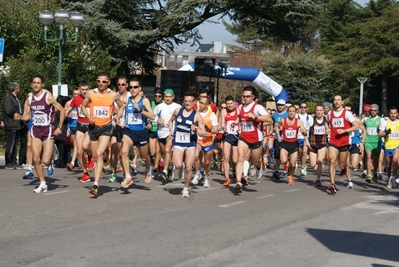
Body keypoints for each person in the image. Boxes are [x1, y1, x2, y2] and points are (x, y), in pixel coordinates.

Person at [19, 73, 65, 193]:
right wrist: (19, 117)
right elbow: (27, 116)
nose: (36, 85)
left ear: (42, 84)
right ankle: (42, 183)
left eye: (38, 83)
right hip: (36, 130)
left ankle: (52, 151)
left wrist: (59, 127)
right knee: (36, 159)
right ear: (31, 84)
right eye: (34, 82)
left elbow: (62, 110)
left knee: (45, 161)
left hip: (48, 130)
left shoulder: (47, 96)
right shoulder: (29, 98)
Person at [81, 72, 124, 197]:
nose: (101, 84)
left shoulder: (113, 95)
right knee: (95, 156)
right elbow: (83, 106)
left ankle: (95, 184)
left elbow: (121, 107)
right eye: (99, 81)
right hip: (93, 127)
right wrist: (88, 116)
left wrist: (118, 117)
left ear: (108, 82)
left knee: (98, 153)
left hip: (106, 127)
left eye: (104, 81)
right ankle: (103, 155)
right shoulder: (91, 93)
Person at [233, 86, 273, 193]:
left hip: (256, 138)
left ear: (252, 97)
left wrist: (255, 117)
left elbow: (269, 118)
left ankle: (259, 166)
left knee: (255, 160)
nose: (245, 98)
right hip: (244, 137)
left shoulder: (257, 108)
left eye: (247, 96)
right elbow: (240, 118)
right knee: (240, 159)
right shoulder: (240, 107)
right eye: (243, 96)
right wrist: (236, 122)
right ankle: (238, 183)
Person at [168, 91, 207, 198]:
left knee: (189, 168)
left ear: (194, 102)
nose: (187, 103)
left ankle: (185, 189)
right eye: (186, 101)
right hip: (178, 142)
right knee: (178, 165)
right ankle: (181, 168)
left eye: (190, 101)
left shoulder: (197, 116)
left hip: (190, 143)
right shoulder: (177, 111)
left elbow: (204, 132)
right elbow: (170, 121)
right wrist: (171, 130)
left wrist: (195, 130)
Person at [119, 78, 155, 188]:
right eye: (131, 87)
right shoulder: (126, 99)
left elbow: (152, 116)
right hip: (129, 131)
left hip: (141, 132)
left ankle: (148, 170)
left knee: (145, 157)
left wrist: (140, 110)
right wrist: (118, 118)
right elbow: (120, 107)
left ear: (139, 88)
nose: (133, 89)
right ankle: (128, 177)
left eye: (135, 87)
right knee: (124, 152)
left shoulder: (144, 101)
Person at [326, 95, 360, 194]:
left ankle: (344, 168)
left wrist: (345, 130)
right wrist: (327, 128)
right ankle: (332, 184)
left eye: (338, 100)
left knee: (342, 165)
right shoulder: (330, 113)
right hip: (333, 141)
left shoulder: (347, 114)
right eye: (335, 100)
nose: (336, 102)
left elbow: (356, 126)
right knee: (332, 161)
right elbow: (326, 122)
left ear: (342, 102)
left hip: (344, 141)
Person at [64, 81, 94, 182]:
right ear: (79, 89)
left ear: (89, 89)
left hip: (90, 126)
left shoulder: (92, 98)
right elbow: (69, 108)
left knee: (85, 146)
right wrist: (65, 113)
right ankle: (85, 173)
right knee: (79, 150)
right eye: (82, 90)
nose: (84, 92)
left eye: (86, 90)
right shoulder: (76, 99)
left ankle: (90, 155)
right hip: (80, 125)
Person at [275, 105, 310, 185]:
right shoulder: (283, 120)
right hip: (285, 143)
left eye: (293, 111)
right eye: (290, 111)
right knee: (283, 161)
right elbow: (276, 127)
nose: (291, 113)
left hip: (294, 144)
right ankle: (286, 166)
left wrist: (303, 131)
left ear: (295, 112)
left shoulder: (298, 121)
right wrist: (279, 136)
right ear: (288, 112)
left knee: (293, 164)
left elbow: (305, 132)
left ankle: (290, 176)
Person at [152, 88, 181, 182]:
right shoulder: (159, 106)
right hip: (161, 132)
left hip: (171, 132)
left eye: (169, 97)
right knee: (164, 153)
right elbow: (152, 116)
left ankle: (164, 171)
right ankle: (170, 167)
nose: (168, 98)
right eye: (166, 97)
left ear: (173, 97)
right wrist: (157, 120)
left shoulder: (177, 107)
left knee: (168, 150)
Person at [191, 96, 219, 188]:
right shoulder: (196, 113)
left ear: (207, 105)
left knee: (207, 162)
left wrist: (209, 129)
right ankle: (198, 173)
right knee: (195, 157)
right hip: (198, 139)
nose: (200, 105)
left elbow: (216, 130)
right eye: (199, 102)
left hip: (208, 141)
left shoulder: (212, 115)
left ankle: (206, 178)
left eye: (202, 103)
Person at [107, 76, 131, 183]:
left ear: (127, 85)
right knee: (113, 150)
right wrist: (113, 111)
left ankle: (127, 173)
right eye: (119, 84)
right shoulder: (113, 96)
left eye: (123, 84)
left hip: (125, 126)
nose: (121, 86)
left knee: (123, 152)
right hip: (114, 125)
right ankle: (113, 174)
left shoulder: (131, 96)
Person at [2, 82, 23, 169]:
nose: (19, 89)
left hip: (16, 124)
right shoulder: (8, 98)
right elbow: (8, 110)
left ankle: (14, 161)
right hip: (11, 124)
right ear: (15, 88)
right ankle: (9, 161)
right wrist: (15, 113)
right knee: (11, 143)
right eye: (18, 87)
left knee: (15, 143)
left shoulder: (14, 98)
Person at [308, 104, 330, 186]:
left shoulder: (326, 121)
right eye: (317, 110)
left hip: (322, 144)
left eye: (320, 110)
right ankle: (318, 169)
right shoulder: (311, 120)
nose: (319, 112)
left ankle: (318, 179)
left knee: (320, 161)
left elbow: (329, 129)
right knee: (313, 164)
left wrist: (328, 131)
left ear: (323, 111)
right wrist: (306, 141)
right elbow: (306, 131)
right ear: (315, 111)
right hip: (313, 144)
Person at [220, 96, 239, 186]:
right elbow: (222, 123)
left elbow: (242, 122)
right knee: (226, 157)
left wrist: (239, 128)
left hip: (236, 136)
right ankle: (227, 178)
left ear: (234, 103)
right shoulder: (224, 112)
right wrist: (223, 127)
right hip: (227, 135)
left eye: (231, 103)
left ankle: (234, 170)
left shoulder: (238, 111)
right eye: (227, 104)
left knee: (235, 160)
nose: (229, 105)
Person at [379, 106, 399, 189]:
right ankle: (390, 178)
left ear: (397, 114)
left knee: (395, 159)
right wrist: (386, 133)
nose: (393, 115)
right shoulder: (385, 122)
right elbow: (380, 135)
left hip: (397, 146)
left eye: (395, 113)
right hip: (387, 146)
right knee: (388, 165)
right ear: (389, 113)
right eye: (391, 113)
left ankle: (393, 176)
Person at [362, 104, 382, 183]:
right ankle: (369, 175)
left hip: (377, 142)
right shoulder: (366, 119)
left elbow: (384, 129)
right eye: (371, 110)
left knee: (375, 160)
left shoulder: (381, 120)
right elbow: (359, 124)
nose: (373, 112)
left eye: (374, 110)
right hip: (368, 141)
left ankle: (375, 171)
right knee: (369, 157)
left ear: (377, 111)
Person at [147, 87, 163, 176]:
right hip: (152, 130)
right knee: (152, 151)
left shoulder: (164, 105)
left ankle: (155, 169)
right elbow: (148, 115)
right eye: (156, 96)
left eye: (159, 96)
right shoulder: (151, 103)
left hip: (160, 130)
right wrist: (148, 123)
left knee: (158, 151)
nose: (157, 97)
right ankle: (153, 163)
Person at [272, 99, 289, 180]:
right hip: (277, 138)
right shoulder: (274, 115)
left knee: (285, 156)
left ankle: (286, 167)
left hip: (286, 138)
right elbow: (272, 125)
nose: (280, 106)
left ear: (285, 106)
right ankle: (276, 171)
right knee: (277, 154)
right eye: (278, 105)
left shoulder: (288, 114)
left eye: (281, 105)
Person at [296, 102, 313, 177]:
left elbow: (309, 126)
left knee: (304, 152)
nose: (303, 108)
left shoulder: (309, 117)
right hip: (297, 137)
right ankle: (302, 163)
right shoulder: (296, 116)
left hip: (305, 137)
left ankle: (303, 168)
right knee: (299, 153)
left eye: (304, 107)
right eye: (301, 107)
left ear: (307, 108)